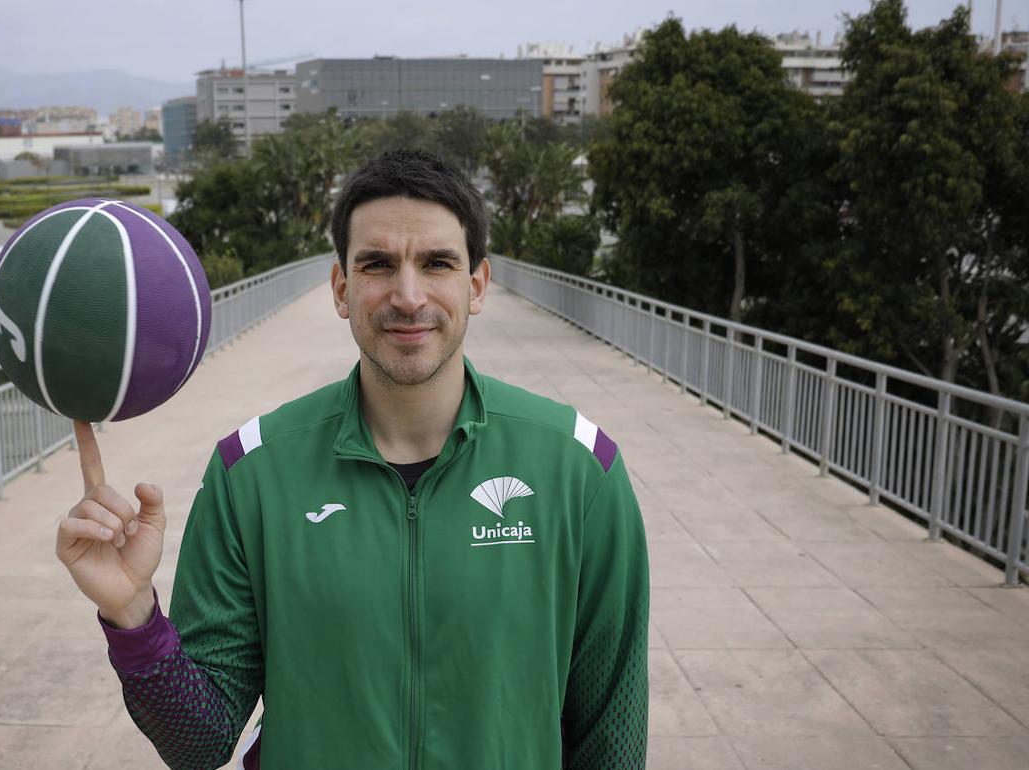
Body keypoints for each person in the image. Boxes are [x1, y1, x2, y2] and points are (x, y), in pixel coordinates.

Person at [56, 149, 649, 769]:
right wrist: (133, 616)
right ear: (341, 288)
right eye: (378, 265)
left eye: (437, 263)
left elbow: (613, 736)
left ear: (476, 286)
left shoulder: (579, 468)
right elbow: (199, 744)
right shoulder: (251, 473)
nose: (409, 295)